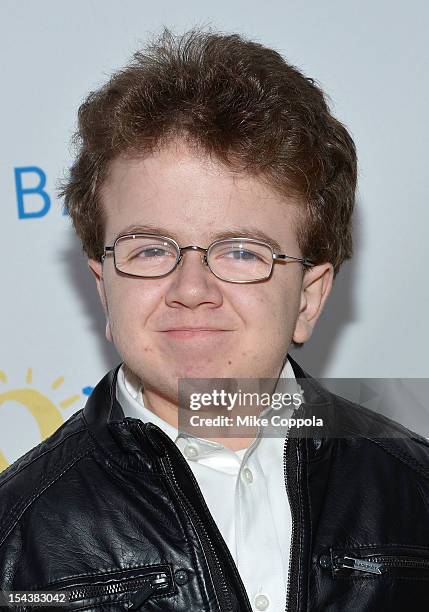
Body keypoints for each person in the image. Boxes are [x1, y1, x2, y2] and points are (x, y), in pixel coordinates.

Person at [1, 27, 428, 612]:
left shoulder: (415, 491)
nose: (192, 290)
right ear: (104, 288)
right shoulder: (15, 532)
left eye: (241, 252)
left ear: (308, 297)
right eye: (151, 249)